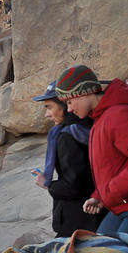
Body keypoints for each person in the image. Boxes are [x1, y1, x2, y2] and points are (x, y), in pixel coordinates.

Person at [55, 65, 128, 235]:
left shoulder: (116, 115)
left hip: (125, 205)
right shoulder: (99, 118)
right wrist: (99, 195)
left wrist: (110, 191)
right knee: (92, 252)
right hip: (119, 205)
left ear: (84, 92)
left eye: (69, 101)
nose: (69, 109)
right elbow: (113, 166)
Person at [31, 81, 102, 236]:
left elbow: (73, 186)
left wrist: (48, 184)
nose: (47, 114)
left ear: (64, 106)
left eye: (49, 107)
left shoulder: (66, 137)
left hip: (78, 220)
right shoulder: (90, 126)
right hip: (99, 213)